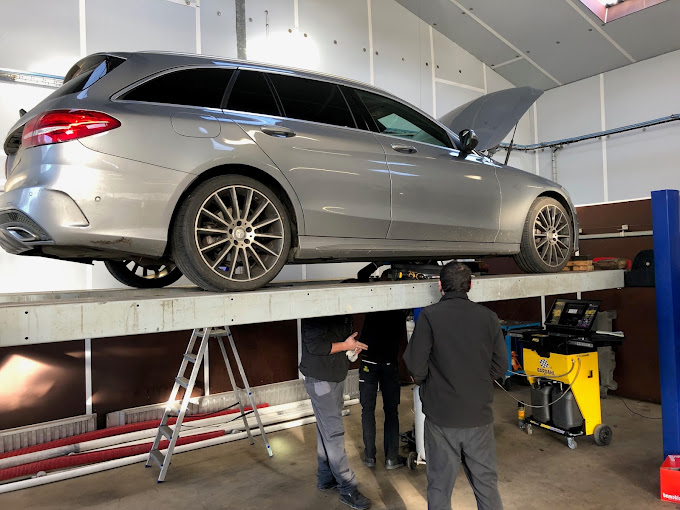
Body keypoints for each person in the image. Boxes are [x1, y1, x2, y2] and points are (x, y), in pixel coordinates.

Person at [403, 262, 507, 510]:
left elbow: (416, 369)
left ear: (440, 286)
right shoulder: (489, 318)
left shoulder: (429, 316)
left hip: (441, 418)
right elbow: (501, 366)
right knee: (486, 485)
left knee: (439, 487)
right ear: (470, 286)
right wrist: (477, 383)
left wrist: (434, 383)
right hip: (478, 417)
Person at [299, 315, 372, 510]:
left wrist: (351, 348)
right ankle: (348, 488)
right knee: (334, 433)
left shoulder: (341, 312)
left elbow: (340, 340)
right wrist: (346, 346)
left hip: (334, 376)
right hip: (321, 379)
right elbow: (316, 347)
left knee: (326, 430)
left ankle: (326, 477)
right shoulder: (315, 311)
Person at [358, 310, 408, 470]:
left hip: (368, 361)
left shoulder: (373, 299)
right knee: (392, 411)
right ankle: (391, 458)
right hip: (389, 362)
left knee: (367, 410)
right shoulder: (398, 306)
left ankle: (369, 456)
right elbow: (402, 339)